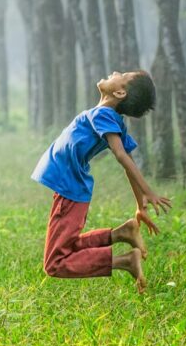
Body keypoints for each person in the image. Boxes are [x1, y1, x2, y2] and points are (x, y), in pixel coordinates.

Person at [30, 70, 171, 293]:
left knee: (55, 263)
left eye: (122, 74)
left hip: (70, 190)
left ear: (119, 92)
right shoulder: (109, 117)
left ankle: (125, 261)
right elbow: (128, 160)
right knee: (68, 246)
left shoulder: (104, 115)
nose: (115, 72)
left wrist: (148, 192)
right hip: (70, 189)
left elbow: (122, 156)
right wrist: (139, 204)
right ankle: (121, 234)